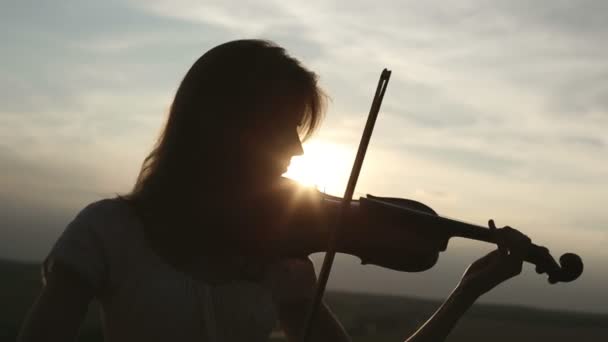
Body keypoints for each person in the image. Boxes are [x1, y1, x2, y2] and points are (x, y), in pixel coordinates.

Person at [18, 39, 530, 342]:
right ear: (221, 125)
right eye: (281, 128)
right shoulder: (106, 233)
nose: (298, 152)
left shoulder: (277, 258)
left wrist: (464, 294)